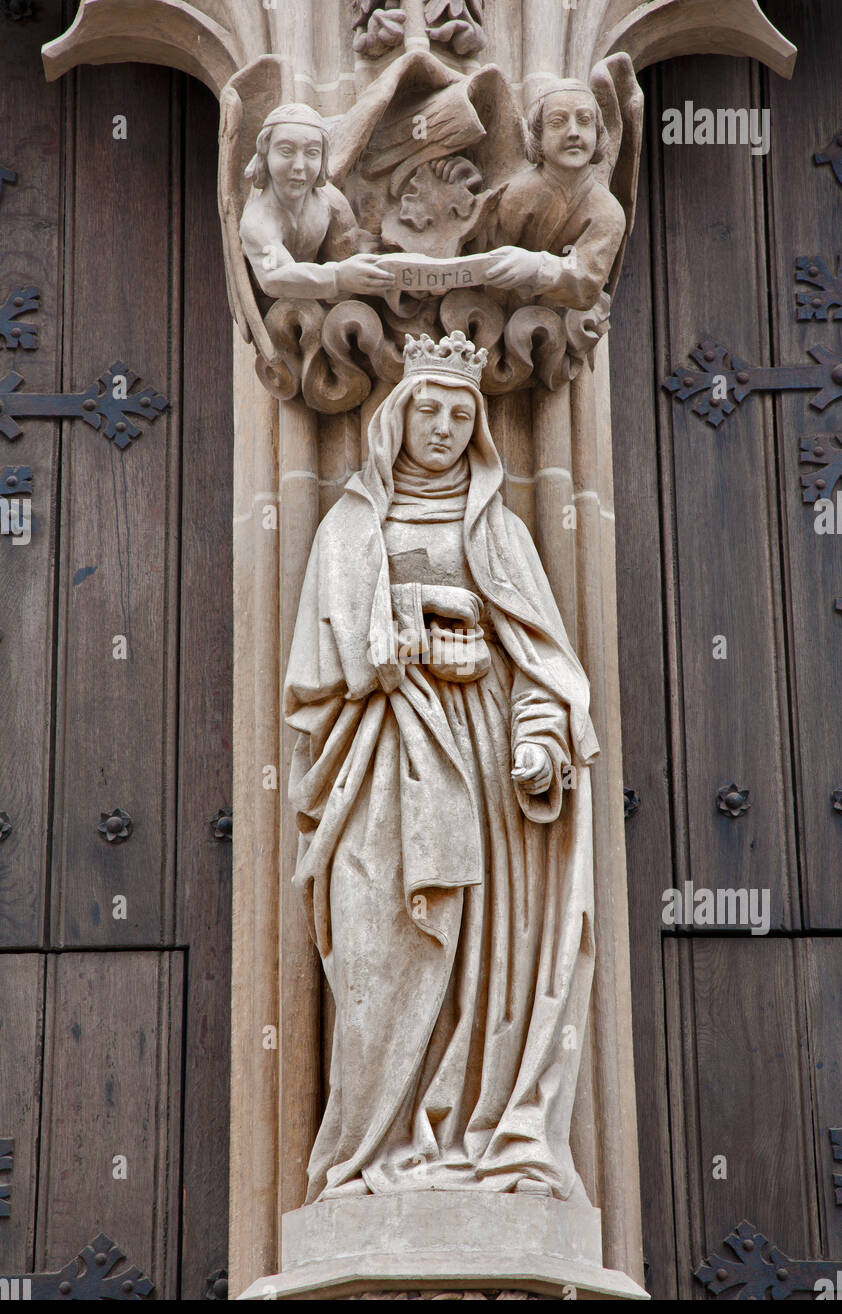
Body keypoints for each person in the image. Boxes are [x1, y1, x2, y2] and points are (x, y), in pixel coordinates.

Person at [283, 330, 600, 1203]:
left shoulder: (499, 533)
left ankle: (475, 1136)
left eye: (464, 415)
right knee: (379, 952)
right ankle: (369, 1151)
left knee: (484, 955)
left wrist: (538, 740)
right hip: (386, 761)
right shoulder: (351, 529)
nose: (447, 428)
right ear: (396, 418)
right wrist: (417, 625)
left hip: (486, 769)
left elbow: (543, 663)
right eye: (431, 409)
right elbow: (320, 663)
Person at [479, 80, 627, 310]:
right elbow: (483, 255)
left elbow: (587, 284)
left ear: (598, 132)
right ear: (538, 134)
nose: (574, 133)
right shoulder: (516, 193)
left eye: (585, 121)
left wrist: (536, 267)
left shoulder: (607, 210)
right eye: (558, 122)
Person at [239, 102, 394, 301]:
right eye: (286, 151)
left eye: (312, 153)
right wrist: (339, 277)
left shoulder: (330, 203)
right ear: (265, 154)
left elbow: (347, 255)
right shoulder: (257, 220)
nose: (299, 166)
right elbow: (272, 277)